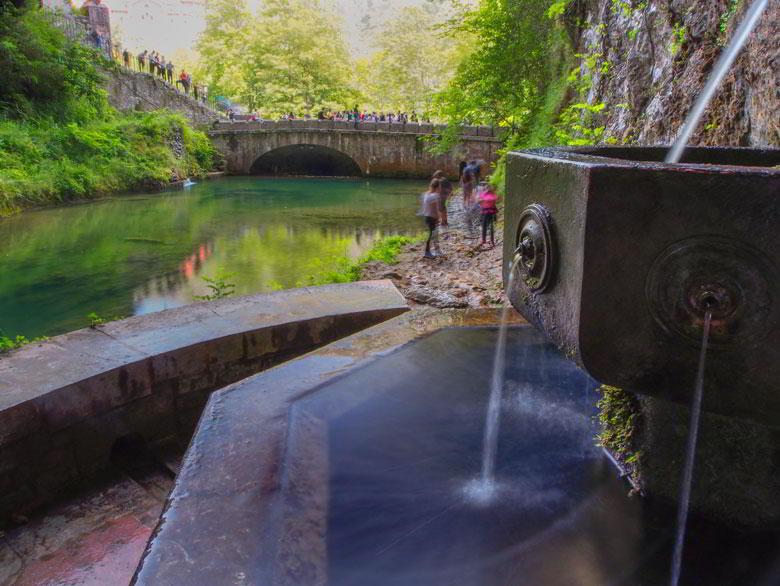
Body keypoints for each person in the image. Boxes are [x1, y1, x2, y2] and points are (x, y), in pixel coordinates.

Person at [420, 178, 443, 259]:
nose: (440, 188)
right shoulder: (435, 196)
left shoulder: (426, 194)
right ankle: (427, 252)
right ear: (437, 187)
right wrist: (439, 218)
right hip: (432, 218)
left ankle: (437, 250)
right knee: (432, 235)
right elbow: (436, 209)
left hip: (427, 217)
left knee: (434, 234)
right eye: (440, 187)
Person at [478, 184, 499, 248]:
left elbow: (496, 200)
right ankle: (484, 240)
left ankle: (492, 240)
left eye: (489, 188)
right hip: (485, 213)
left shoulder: (493, 195)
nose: (488, 189)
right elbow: (479, 201)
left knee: (491, 227)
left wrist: (483, 201)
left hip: (491, 213)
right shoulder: (483, 194)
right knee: (484, 226)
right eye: (486, 188)